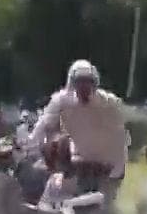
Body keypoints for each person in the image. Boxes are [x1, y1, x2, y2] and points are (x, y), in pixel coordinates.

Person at [33, 60, 130, 198]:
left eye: (88, 81)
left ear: (94, 83)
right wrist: (33, 147)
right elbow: (43, 126)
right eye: (79, 81)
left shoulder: (109, 102)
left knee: (104, 206)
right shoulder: (61, 101)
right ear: (73, 83)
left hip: (107, 166)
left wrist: (113, 168)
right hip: (80, 164)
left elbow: (119, 136)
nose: (84, 86)